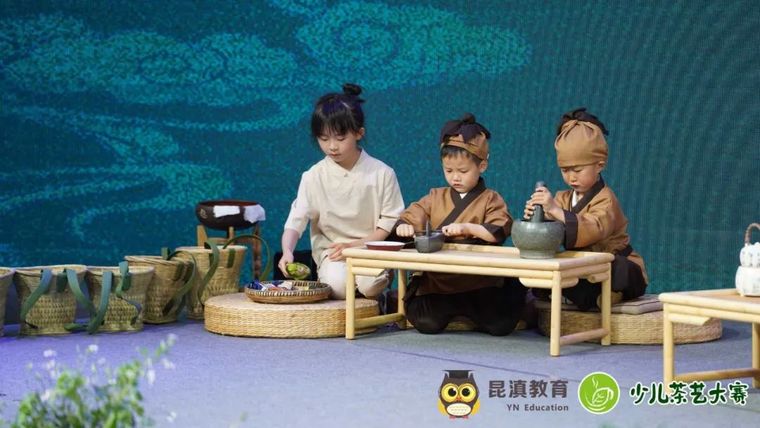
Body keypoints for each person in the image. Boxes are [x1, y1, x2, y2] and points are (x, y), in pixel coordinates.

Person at [392, 113, 526, 335]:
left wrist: (468, 228)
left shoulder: (490, 199)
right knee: (425, 323)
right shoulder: (435, 196)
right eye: (449, 170)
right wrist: (405, 225)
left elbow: (499, 229)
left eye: (463, 171)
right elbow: (414, 213)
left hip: (481, 283)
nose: (455, 177)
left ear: (482, 165)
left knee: (500, 324)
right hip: (439, 283)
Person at [278, 83, 405, 300]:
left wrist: (354, 245)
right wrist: (287, 251)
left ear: (359, 133)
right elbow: (296, 220)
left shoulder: (382, 173)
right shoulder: (313, 176)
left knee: (371, 284)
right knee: (337, 286)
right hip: (333, 253)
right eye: (324, 139)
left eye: (340, 138)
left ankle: (377, 297)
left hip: (370, 250)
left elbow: (387, 224)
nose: (332, 147)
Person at [524, 107, 648, 311]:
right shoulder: (562, 198)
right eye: (565, 170)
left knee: (622, 269)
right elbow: (551, 230)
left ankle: (612, 294)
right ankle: (591, 297)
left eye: (578, 170)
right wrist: (537, 216)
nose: (571, 177)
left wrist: (555, 211)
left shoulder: (606, 199)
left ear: (600, 165)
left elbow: (594, 228)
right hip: (582, 267)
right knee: (550, 275)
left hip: (610, 262)